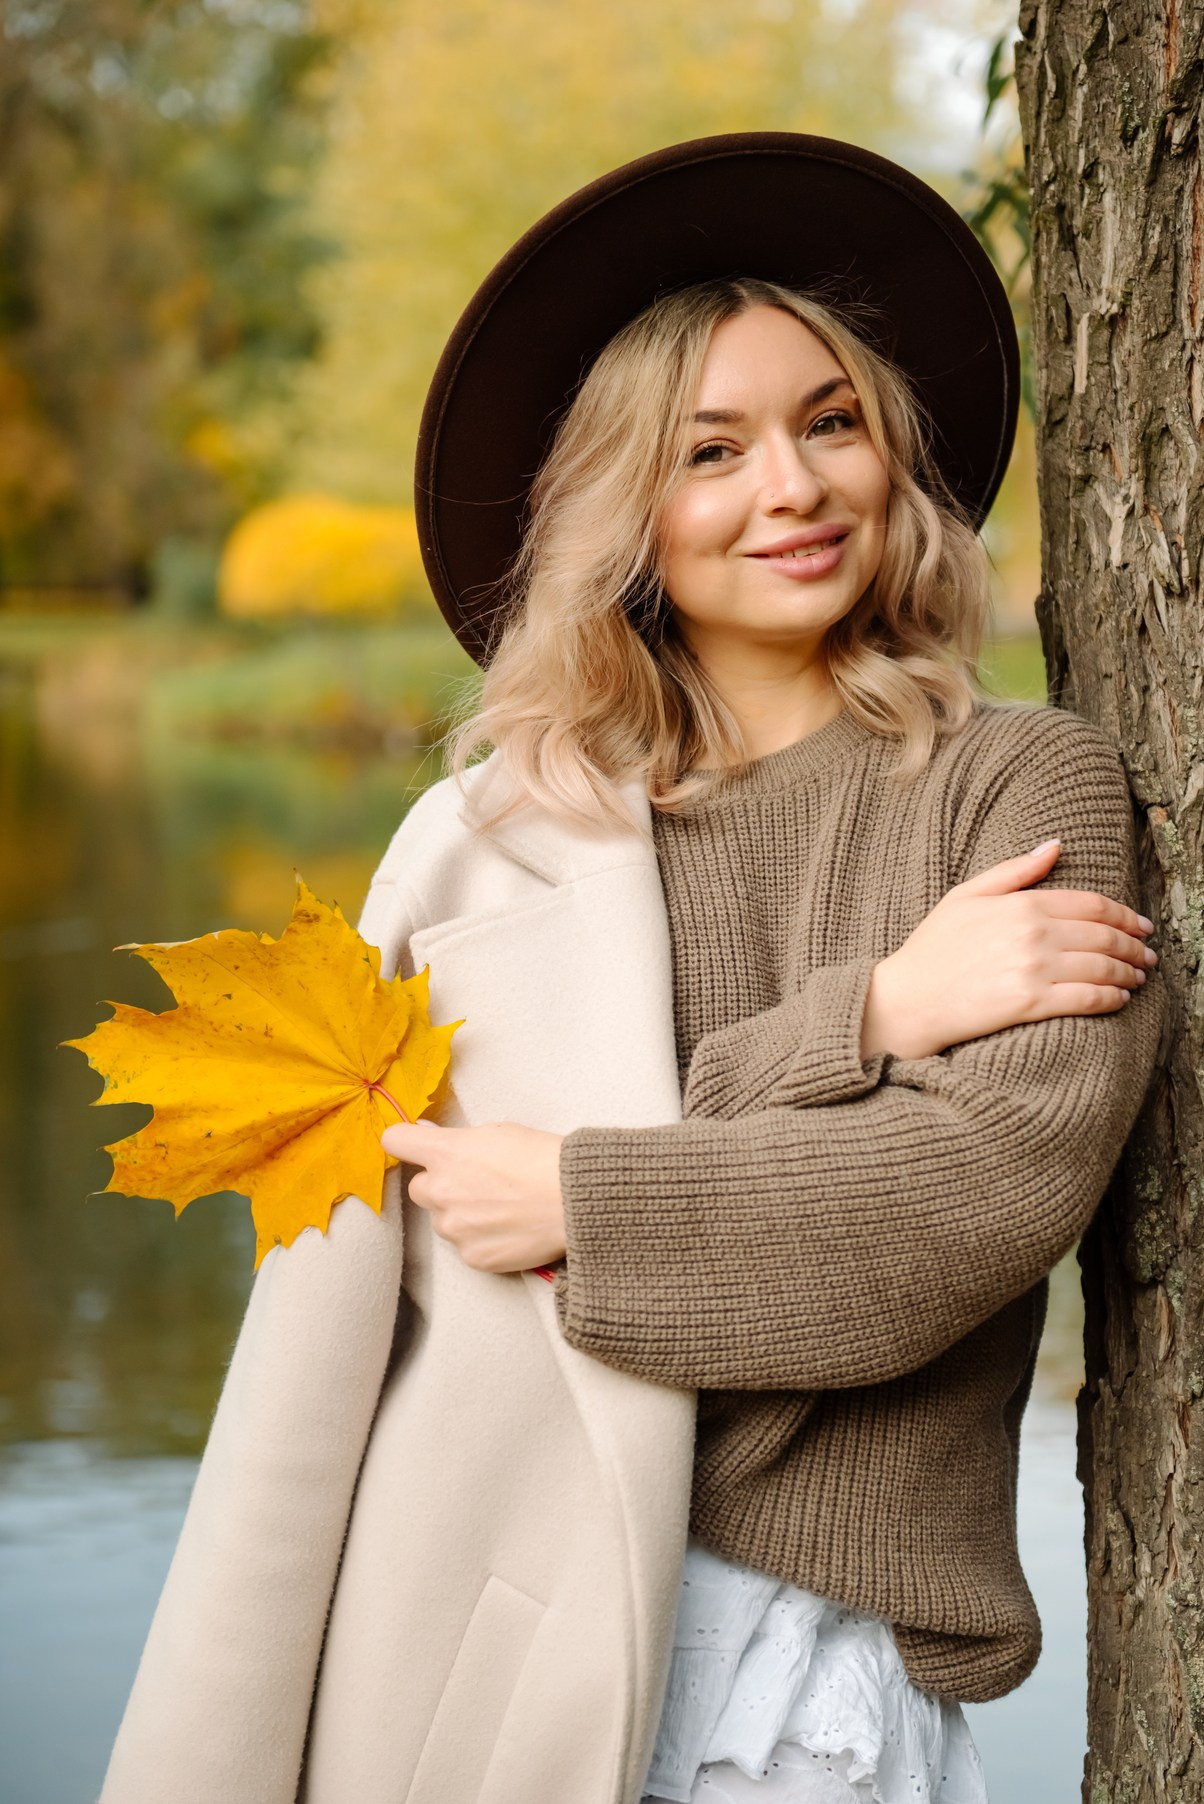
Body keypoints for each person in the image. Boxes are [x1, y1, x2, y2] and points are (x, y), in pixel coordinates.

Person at [99, 136, 1165, 1804]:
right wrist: (874, 1017)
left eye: (830, 422)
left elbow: (949, 1214)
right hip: (481, 1634)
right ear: (624, 512)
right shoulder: (486, 845)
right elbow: (343, 1329)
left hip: (813, 1681)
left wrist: (587, 1207)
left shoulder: (1020, 789)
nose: (793, 490)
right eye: (710, 451)